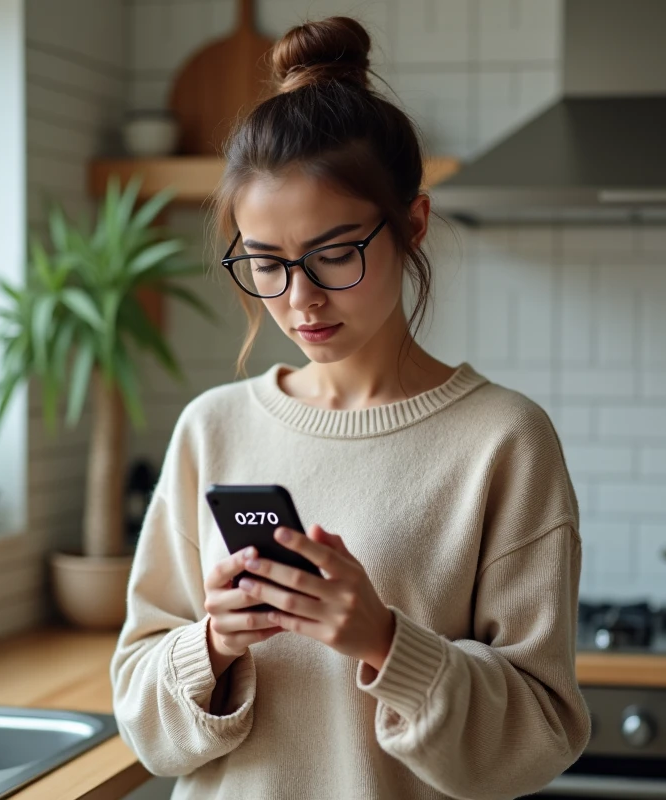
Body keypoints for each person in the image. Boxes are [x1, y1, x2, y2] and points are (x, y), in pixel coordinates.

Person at [110, 15, 590, 800]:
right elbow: (141, 715)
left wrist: (384, 641)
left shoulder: (504, 441)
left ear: (412, 224)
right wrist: (212, 646)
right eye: (265, 262)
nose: (299, 299)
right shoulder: (212, 428)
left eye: (335, 254)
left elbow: (540, 734)